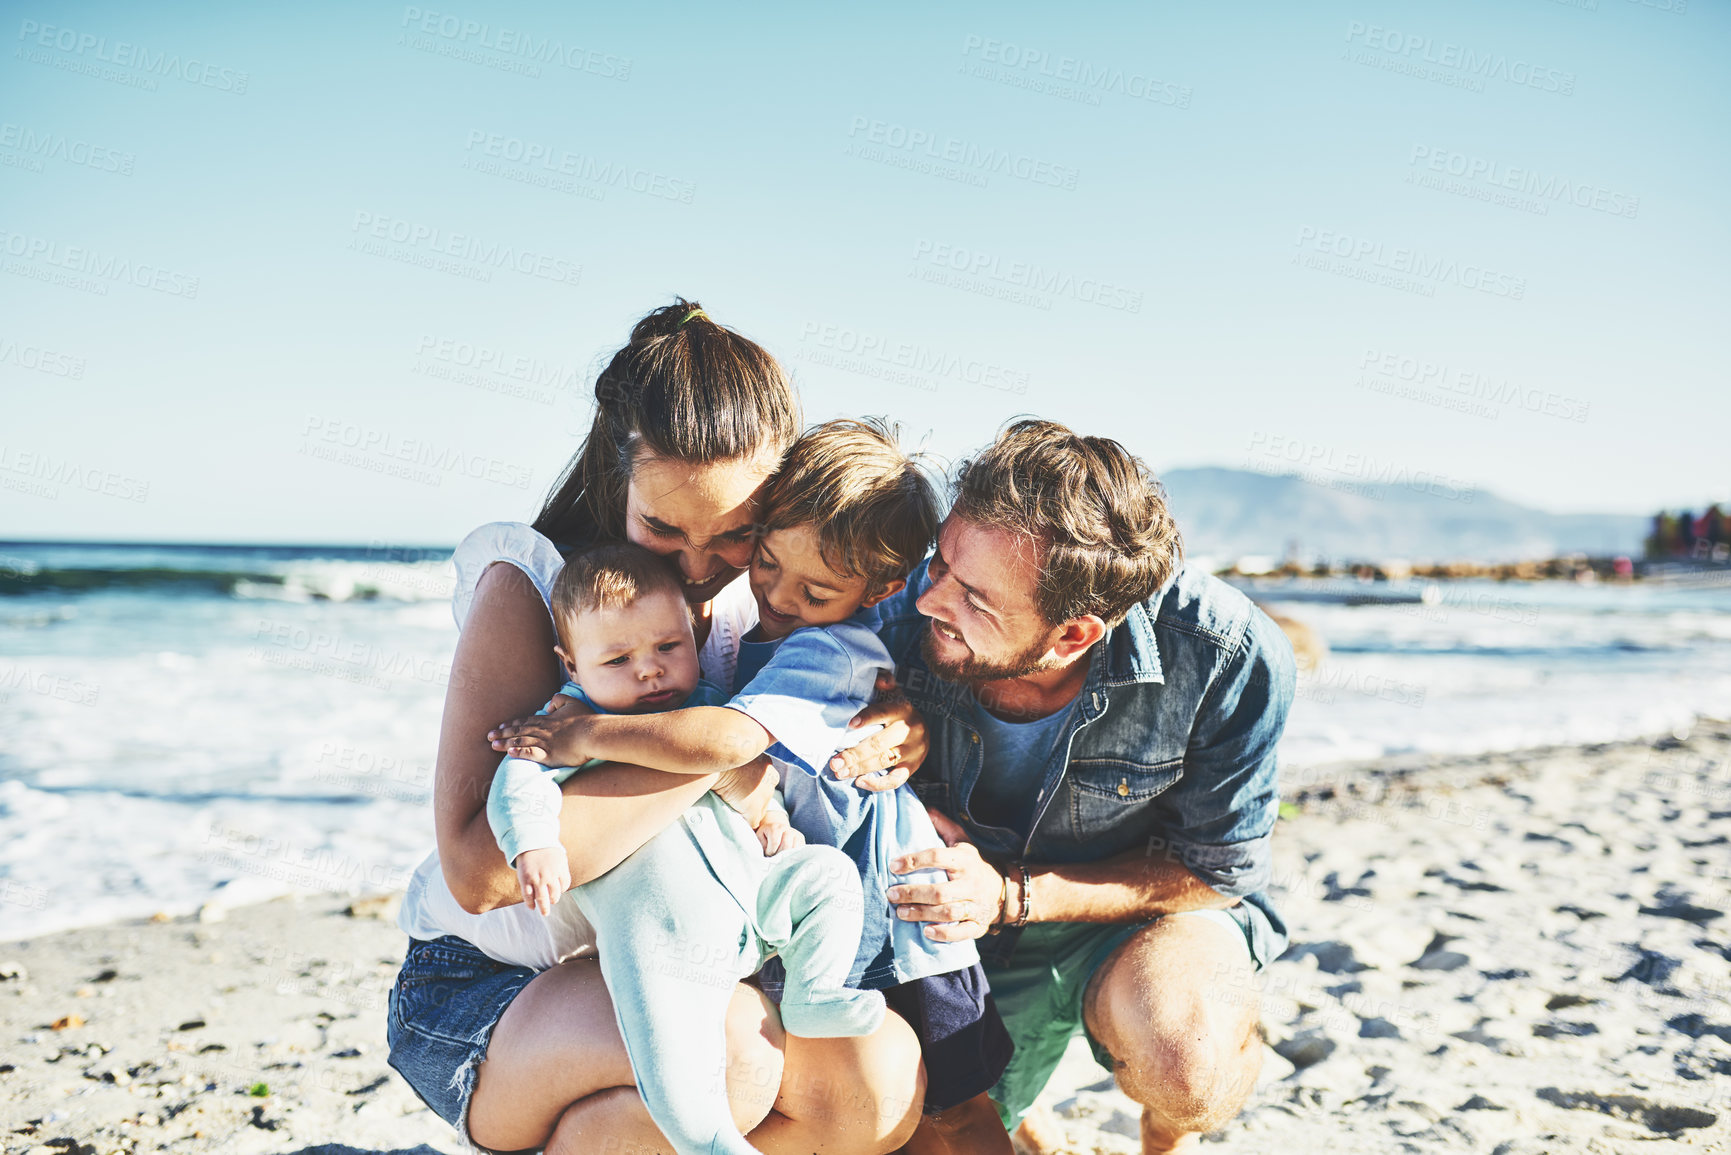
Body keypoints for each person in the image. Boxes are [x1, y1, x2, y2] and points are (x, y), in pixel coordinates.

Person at [387, 300, 928, 1155]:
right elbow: (477, 876)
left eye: (736, 534)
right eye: (662, 527)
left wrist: (884, 722)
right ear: (617, 478)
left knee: (873, 1074)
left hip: (685, 946)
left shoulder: (774, 593)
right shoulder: (534, 587)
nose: (699, 567)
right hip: (488, 987)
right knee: (730, 1057)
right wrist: (716, 753)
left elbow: (845, 691)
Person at [498, 419, 1016, 1153]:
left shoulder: (829, 648)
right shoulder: (757, 634)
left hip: (900, 915)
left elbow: (728, 740)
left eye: (815, 587)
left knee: (955, 1106)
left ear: (883, 589)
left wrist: (584, 732)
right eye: (767, 561)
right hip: (813, 919)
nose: (777, 593)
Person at [871, 420, 1297, 1155]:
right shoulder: (900, 603)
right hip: (959, 932)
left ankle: (1168, 1136)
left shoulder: (1227, 653)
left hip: (1141, 913)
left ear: (1073, 635)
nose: (929, 601)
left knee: (1188, 1067)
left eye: (974, 599)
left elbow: (1214, 870)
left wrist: (1010, 894)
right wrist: (864, 709)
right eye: (940, 563)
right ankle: (1025, 1106)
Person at [487, 541, 884, 1155]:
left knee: (828, 876)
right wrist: (532, 844)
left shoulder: (705, 712)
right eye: (618, 658)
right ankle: (710, 1141)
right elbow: (517, 783)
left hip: (754, 895)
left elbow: (750, 774)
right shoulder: (567, 723)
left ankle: (815, 991)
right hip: (661, 927)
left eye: (667, 648)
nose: (648, 670)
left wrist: (770, 816)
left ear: (691, 642)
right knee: (671, 1041)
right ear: (572, 664)